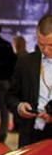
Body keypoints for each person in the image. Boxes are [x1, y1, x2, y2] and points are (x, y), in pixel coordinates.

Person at [6, 13, 52, 147]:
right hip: (31, 135)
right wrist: (20, 107)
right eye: (41, 44)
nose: (45, 50)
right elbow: (10, 96)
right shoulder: (25, 62)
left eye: (51, 45)